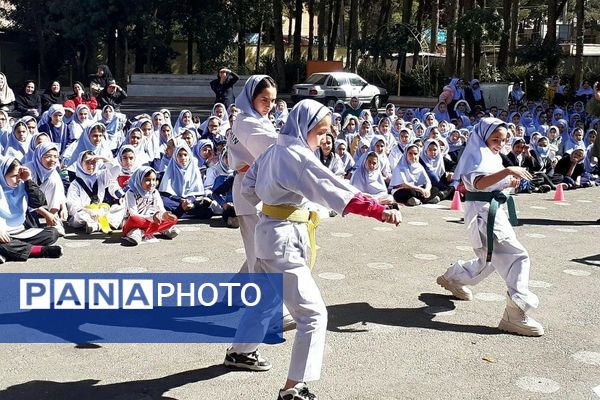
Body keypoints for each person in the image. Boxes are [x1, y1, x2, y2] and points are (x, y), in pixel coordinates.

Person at [224, 99, 401, 400]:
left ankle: (241, 352)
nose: (323, 139)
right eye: (320, 132)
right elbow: (333, 189)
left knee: (266, 301)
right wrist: (377, 210)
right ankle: (294, 387)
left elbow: (247, 188)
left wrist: (275, 200)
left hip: (267, 234)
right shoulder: (297, 156)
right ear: (305, 128)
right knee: (313, 315)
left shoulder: (273, 151)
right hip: (284, 240)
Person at [436, 117, 544, 337]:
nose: (499, 144)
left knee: (489, 261)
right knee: (517, 257)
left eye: (503, 140)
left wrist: (508, 183)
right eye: (495, 138)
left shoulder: (492, 156)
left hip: (493, 213)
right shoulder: (476, 153)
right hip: (484, 216)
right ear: (484, 136)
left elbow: (492, 184)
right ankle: (515, 314)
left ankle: (453, 277)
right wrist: (507, 172)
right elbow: (478, 183)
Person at [0, 156, 63, 263]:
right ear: (2, 175)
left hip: (20, 231)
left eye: (20, 175)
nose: (18, 179)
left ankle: (10, 251)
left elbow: (38, 202)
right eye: (14, 176)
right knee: (4, 245)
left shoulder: (22, 186)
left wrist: (28, 180)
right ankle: (40, 251)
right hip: (2, 232)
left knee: (52, 233)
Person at [122, 166, 179, 245]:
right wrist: (152, 218)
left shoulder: (154, 192)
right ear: (139, 180)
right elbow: (133, 214)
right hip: (135, 223)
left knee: (172, 219)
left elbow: (160, 208)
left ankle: (163, 229)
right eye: (147, 180)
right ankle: (136, 233)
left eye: (153, 180)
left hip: (151, 220)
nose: (152, 183)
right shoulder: (131, 193)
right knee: (134, 219)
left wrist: (164, 215)